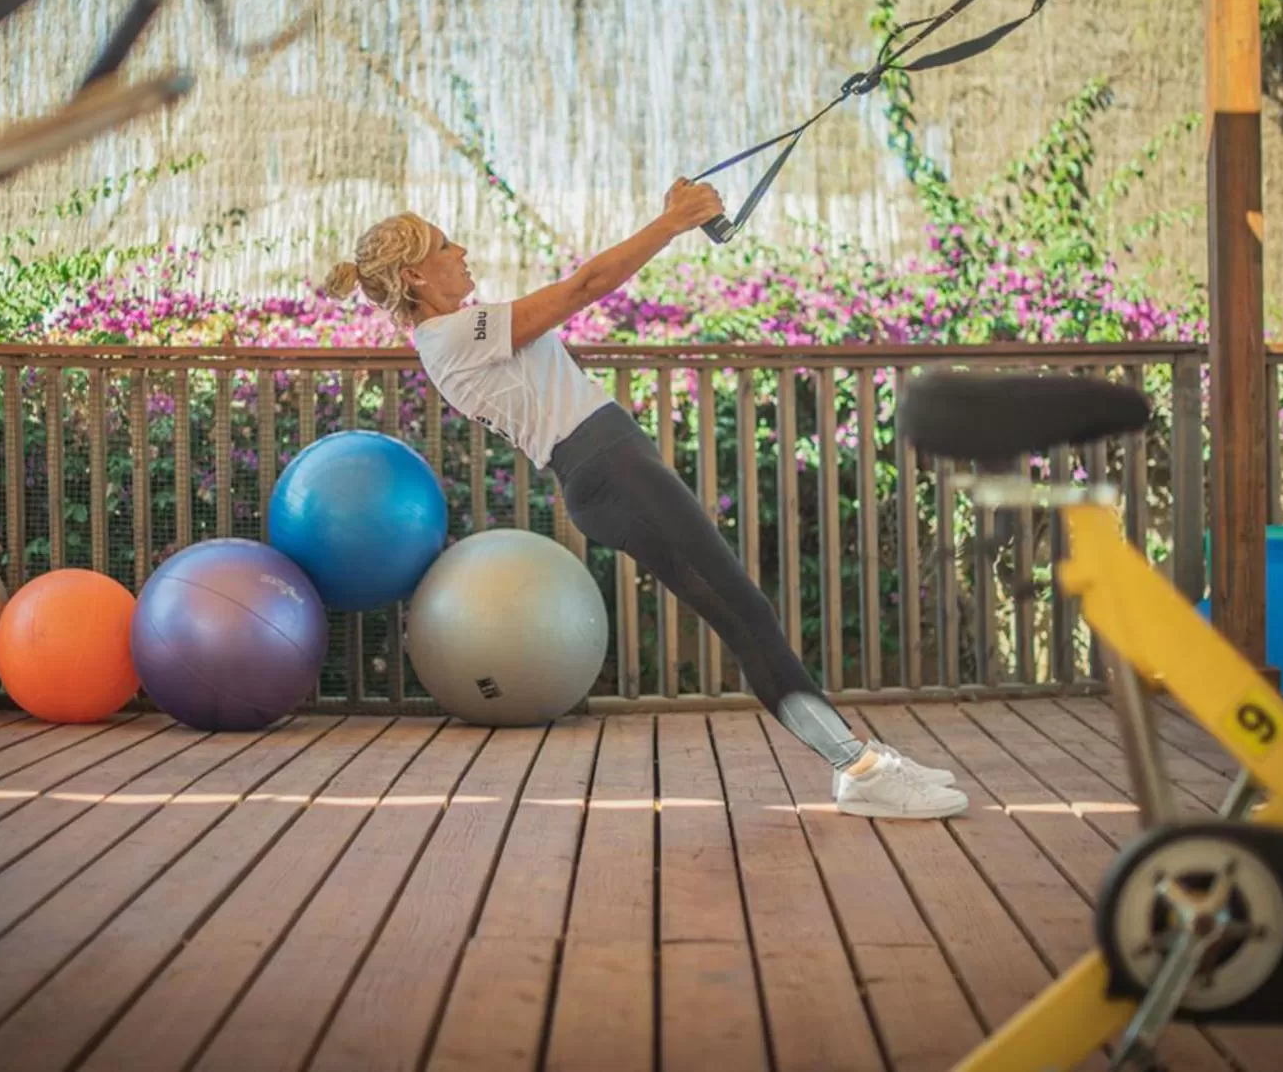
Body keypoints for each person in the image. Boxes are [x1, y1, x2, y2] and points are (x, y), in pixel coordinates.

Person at [321, 178, 968, 819]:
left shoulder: (461, 329)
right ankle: (856, 768)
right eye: (442, 246)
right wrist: (672, 222)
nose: (460, 250)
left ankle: (855, 762)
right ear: (412, 278)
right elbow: (583, 288)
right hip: (609, 472)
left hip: (615, 468)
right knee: (742, 611)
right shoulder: (452, 336)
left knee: (740, 606)